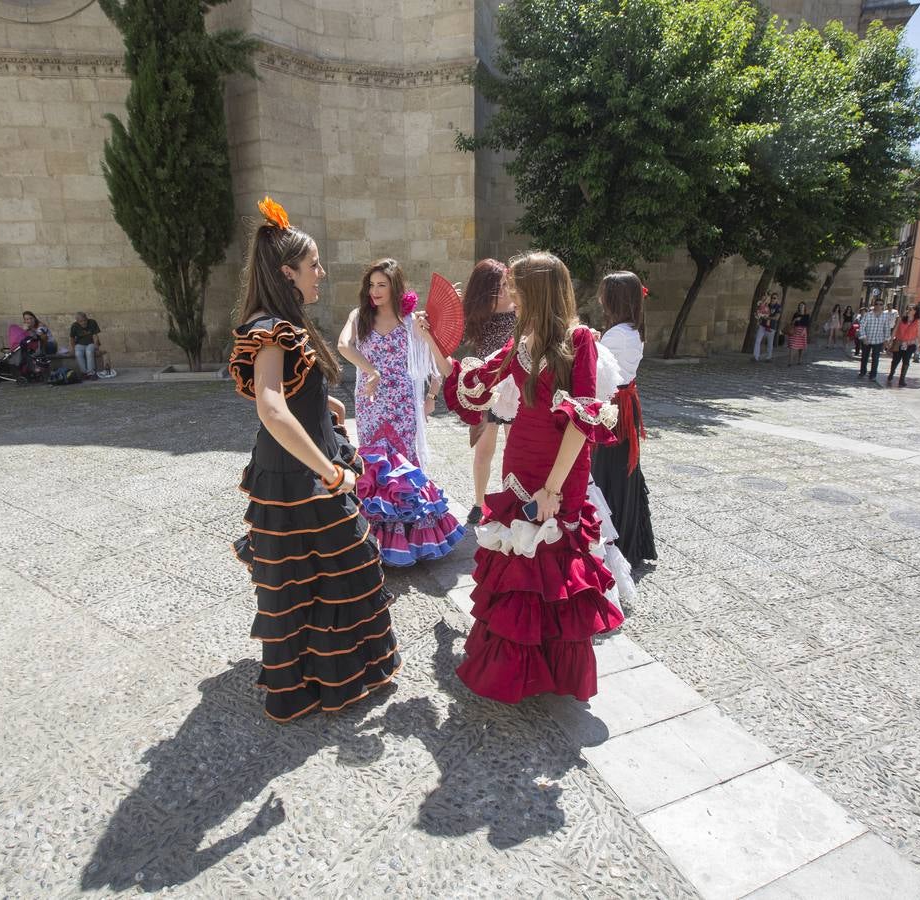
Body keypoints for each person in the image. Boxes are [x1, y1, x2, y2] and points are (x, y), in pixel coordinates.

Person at [228, 196, 400, 722]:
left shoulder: (284, 321)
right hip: (300, 477)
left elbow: (288, 394)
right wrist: (329, 472)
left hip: (305, 468)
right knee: (318, 578)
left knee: (325, 576)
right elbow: (271, 407)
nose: (321, 273)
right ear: (288, 272)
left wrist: (323, 405)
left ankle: (329, 676)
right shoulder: (270, 329)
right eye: (313, 265)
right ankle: (313, 683)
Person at [441, 250, 624, 704]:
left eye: (515, 288)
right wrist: (433, 344)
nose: (509, 296)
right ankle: (517, 669)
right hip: (519, 465)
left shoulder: (579, 341)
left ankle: (551, 670)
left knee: (552, 563)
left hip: (559, 471)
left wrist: (553, 489)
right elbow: (478, 381)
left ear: (537, 290)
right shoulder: (522, 341)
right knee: (520, 569)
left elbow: (582, 423)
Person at [337, 258, 464, 566]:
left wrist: (431, 396)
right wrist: (371, 370)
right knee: (374, 465)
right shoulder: (359, 316)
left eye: (382, 284)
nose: (375, 290)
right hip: (370, 404)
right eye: (371, 284)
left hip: (403, 405)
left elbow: (435, 361)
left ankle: (410, 540)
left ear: (396, 287)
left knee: (404, 466)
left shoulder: (411, 320)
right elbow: (343, 346)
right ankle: (373, 540)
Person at [590, 272, 656, 570]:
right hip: (625, 403)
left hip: (613, 407)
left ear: (613, 299)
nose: (600, 298)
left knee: (607, 471)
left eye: (604, 293)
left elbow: (597, 373)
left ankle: (613, 543)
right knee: (623, 471)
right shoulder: (633, 330)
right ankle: (629, 540)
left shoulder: (616, 335)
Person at [461, 258, 516, 522]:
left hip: (516, 384)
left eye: (506, 284)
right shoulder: (475, 309)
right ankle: (478, 502)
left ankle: (512, 499)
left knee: (515, 448)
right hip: (487, 384)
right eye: (498, 286)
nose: (504, 291)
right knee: (484, 449)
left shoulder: (519, 305)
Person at [856, 297, 890, 382]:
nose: (878, 306)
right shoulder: (868, 315)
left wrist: (886, 340)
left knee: (875, 358)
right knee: (864, 357)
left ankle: (873, 375)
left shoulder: (885, 316)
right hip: (867, 339)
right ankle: (862, 372)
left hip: (878, 340)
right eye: (876, 304)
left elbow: (887, 328)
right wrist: (864, 337)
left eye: (880, 304)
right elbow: (862, 326)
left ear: (883, 306)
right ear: (874, 305)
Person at [887, 304, 920, 387]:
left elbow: (919, 333)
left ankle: (902, 379)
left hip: (910, 344)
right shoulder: (901, 319)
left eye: (911, 309)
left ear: (915, 311)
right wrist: (891, 340)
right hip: (899, 342)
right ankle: (891, 373)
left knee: (906, 361)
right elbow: (895, 330)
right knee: (896, 360)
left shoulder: (917, 321)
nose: (908, 311)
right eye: (908, 309)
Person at [70, 312, 102, 380]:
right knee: (78, 353)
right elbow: (72, 338)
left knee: (89, 352)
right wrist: (73, 349)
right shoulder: (74, 326)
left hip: (91, 343)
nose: (84, 322)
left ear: (87, 318)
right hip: (79, 344)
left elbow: (95, 336)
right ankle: (84, 373)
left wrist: (97, 348)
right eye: (81, 321)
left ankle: (91, 373)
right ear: (77, 321)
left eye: (85, 320)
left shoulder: (92, 322)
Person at [785, 301, 811, 366]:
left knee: (801, 347)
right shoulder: (796, 314)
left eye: (802, 306)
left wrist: (804, 331)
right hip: (794, 330)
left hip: (802, 331)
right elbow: (792, 323)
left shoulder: (807, 315)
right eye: (800, 306)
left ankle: (799, 360)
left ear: (805, 307)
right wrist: (795, 319)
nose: (801, 307)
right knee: (792, 345)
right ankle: (790, 362)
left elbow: (807, 324)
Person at [753, 293, 775, 362]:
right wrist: (760, 316)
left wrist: (766, 317)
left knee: (769, 342)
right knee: (757, 340)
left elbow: (773, 316)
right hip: (762, 325)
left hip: (769, 326)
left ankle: (768, 357)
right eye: (764, 298)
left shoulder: (770, 306)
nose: (765, 299)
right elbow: (759, 311)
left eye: (766, 298)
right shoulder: (761, 304)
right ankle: (756, 356)